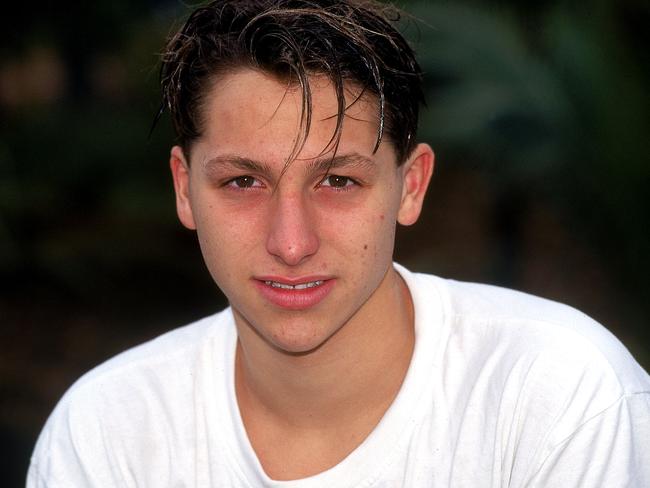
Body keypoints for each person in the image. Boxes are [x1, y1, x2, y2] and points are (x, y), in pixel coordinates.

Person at [27, 1, 650, 486]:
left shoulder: (561, 398)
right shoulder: (108, 433)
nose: (291, 242)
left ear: (411, 186)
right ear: (185, 190)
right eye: (243, 181)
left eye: (338, 181)